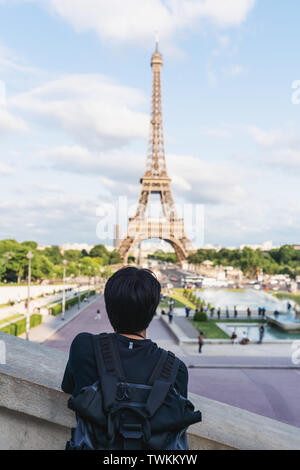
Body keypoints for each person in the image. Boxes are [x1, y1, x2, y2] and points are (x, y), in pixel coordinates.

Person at [61, 267, 200, 450]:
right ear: (152, 309)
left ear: (109, 307)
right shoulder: (176, 369)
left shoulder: (84, 347)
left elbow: (68, 387)